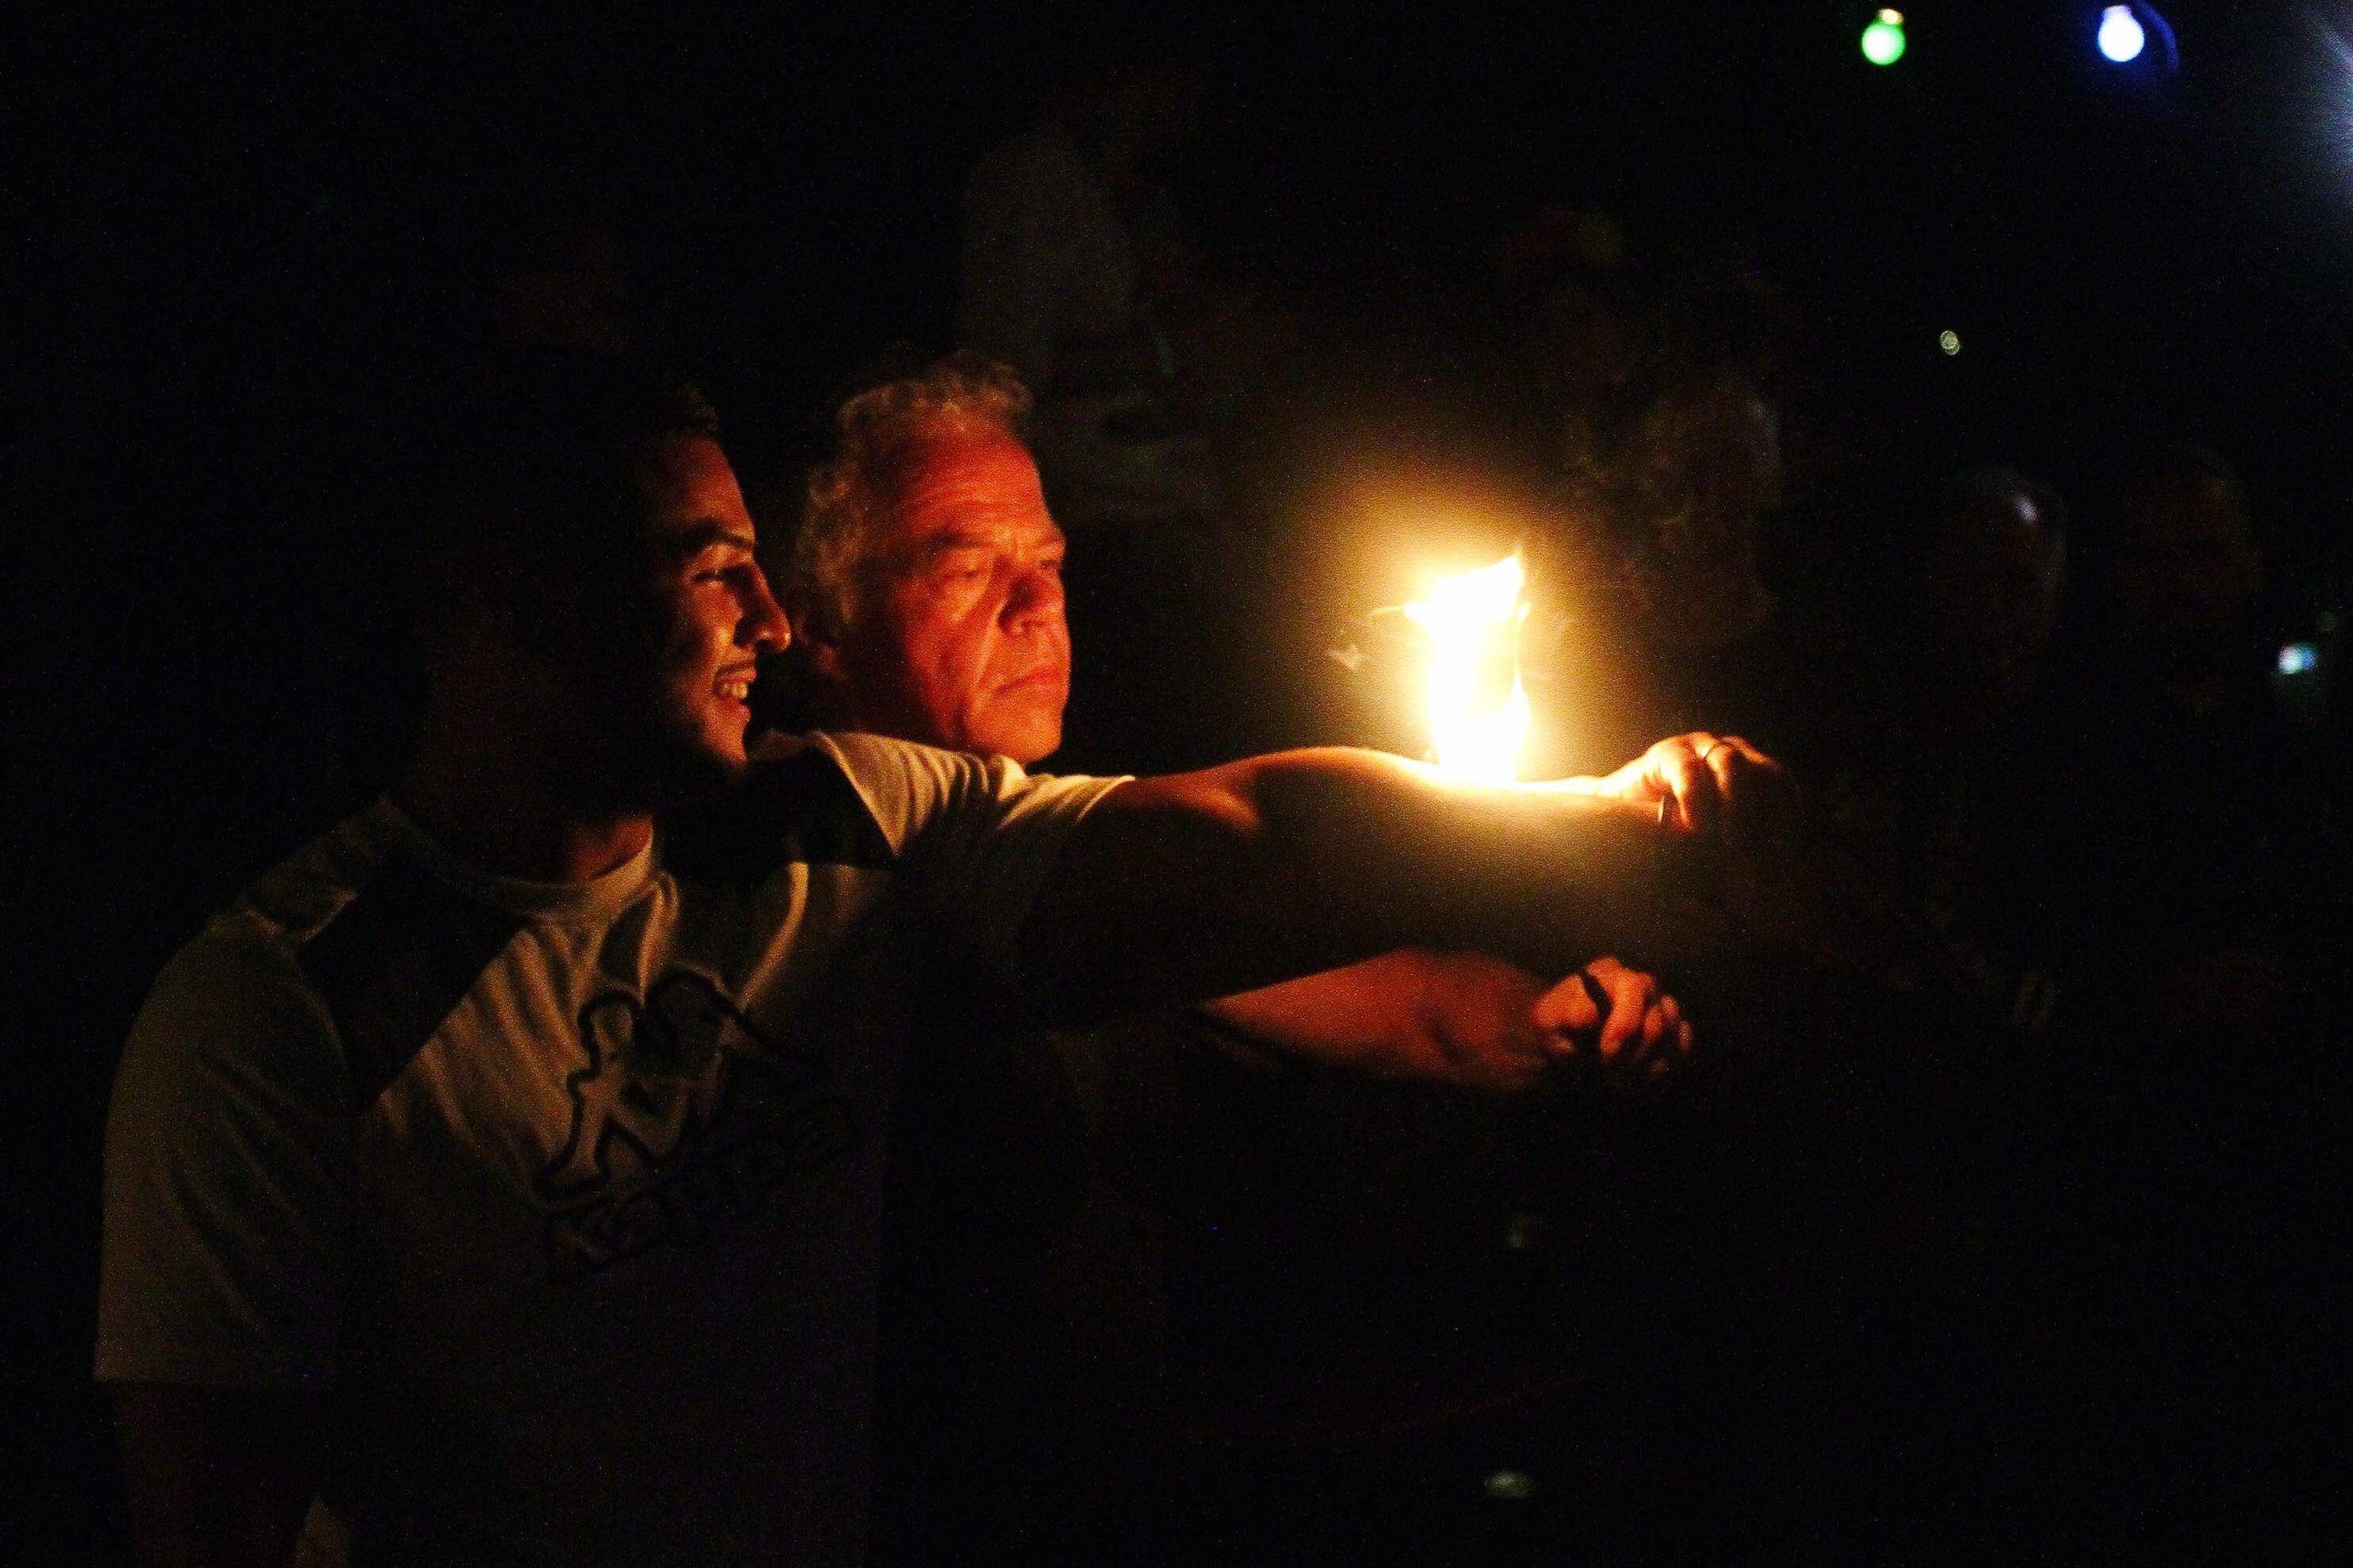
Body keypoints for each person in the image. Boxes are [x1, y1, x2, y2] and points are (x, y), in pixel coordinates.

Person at [98, 348, 1778, 1568]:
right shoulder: (276, 1012)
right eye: (714, 572)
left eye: (1052, 567)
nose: (761, 618)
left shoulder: (853, 824)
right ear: (519, 609)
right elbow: (204, 1522)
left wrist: (1593, 816)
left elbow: (1250, 842)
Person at [783, 357, 1716, 1560]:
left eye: (1050, 564)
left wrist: (1557, 1024)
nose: (1038, 607)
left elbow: (1410, 1011)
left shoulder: (1063, 850)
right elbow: (1281, 840)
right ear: (818, 625)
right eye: (967, 570)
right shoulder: (829, 866)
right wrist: (1616, 810)